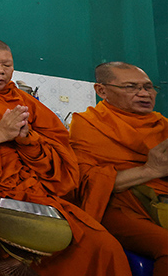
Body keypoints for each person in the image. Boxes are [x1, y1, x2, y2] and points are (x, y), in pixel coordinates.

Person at [0, 37, 132, 276]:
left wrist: (27, 140)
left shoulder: (25, 102)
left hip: (21, 179)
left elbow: (58, 155)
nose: (0, 71)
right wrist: (0, 133)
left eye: (7, 65)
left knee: (102, 244)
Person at [69, 62, 168, 273]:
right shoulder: (88, 125)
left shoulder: (163, 126)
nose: (144, 94)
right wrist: (150, 171)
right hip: (115, 207)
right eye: (131, 87)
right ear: (101, 90)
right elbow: (86, 184)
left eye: (148, 87)